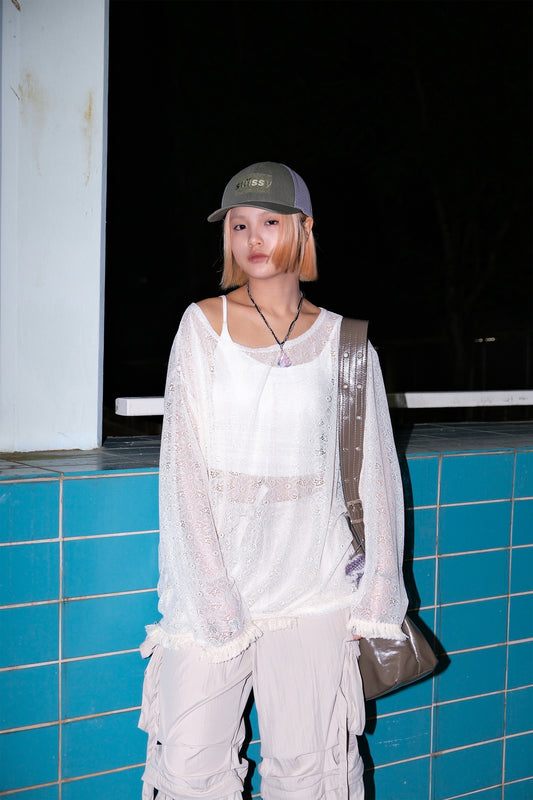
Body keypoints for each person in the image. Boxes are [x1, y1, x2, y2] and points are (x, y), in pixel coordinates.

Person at [138, 161, 408, 800]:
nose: (252, 238)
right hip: (213, 587)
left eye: (269, 222)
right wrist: (214, 593)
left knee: (312, 774)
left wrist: (378, 593)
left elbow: (376, 476)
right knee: (190, 770)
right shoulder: (203, 325)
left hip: (315, 585)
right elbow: (182, 469)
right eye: (238, 225)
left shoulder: (347, 343)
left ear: (303, 229)